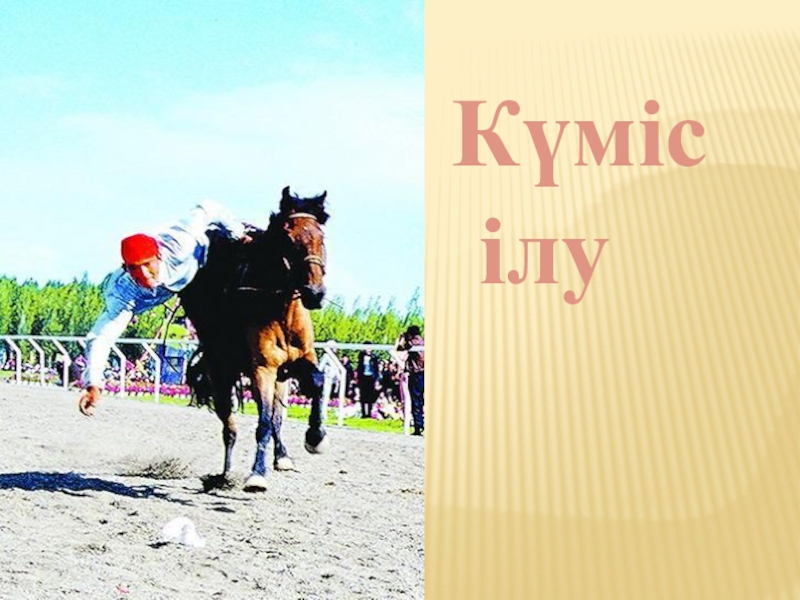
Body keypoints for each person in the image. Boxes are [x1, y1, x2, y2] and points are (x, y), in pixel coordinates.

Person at [78, 200, 252, 416]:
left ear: (158, 256)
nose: (143, 274)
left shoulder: (182, 242)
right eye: (134, 268)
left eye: (147, 264)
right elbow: (100, 337)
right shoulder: (123, 292)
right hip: (160, 291)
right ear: (125, 268)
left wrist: (237, 233)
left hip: (205, 256)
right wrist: (93, 383)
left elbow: (206, 208)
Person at [396, 325, 425, 435]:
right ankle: (420, 424)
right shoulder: (423, 341)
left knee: (416, 400)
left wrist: (402, 338)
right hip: (423, 373)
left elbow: (400, 348)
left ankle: (418, 426)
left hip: (417, 373)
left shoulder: (413, 342)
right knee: (420, 400)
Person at [356, 343, 380, 418]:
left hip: (371, 378)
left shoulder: (374, 357)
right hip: (363, 378)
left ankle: (369, 413)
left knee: (370, 395)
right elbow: (359, 367)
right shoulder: (361, 356)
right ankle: (363, 413)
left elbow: (376, 369)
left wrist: (376, 379)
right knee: (362, 395)